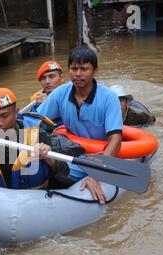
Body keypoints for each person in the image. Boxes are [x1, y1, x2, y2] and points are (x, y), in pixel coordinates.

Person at [36, 46, 123, 204]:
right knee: (39, 163)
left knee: (59, 175)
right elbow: (34, 121)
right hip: (70, 152)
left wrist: (96, 174)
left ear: (95, 70)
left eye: (84, 69)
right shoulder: (60, 93)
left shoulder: (109, 98)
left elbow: (115, 140)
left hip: (98, 158)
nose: (78, 74)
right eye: (74, 68)